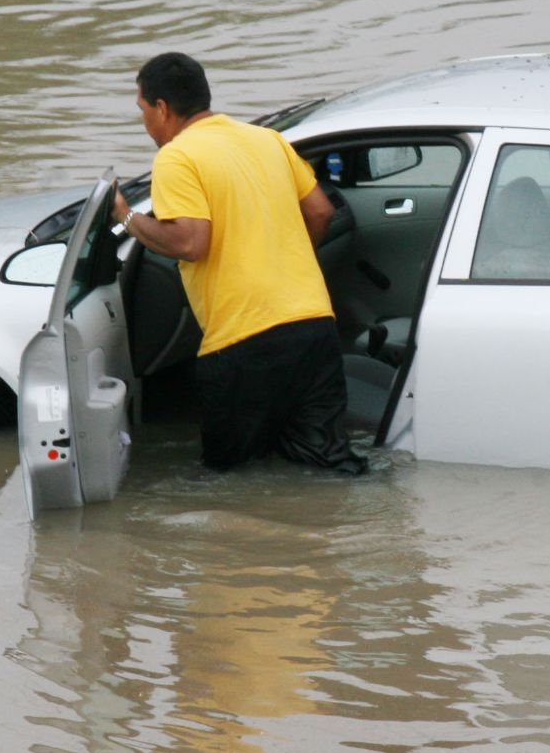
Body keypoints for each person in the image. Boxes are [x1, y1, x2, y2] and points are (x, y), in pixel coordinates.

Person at [112, 52, 367, 476]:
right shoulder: (267, 140)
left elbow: (191, 242)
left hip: (243, 340)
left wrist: (127, 216)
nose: (145, 122)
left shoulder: (178, 156)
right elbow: (321, 212)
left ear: (162, 108)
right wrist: (286, 262)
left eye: (142, 110)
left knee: (231, 478)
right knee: (329, 462)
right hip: (313, 326)